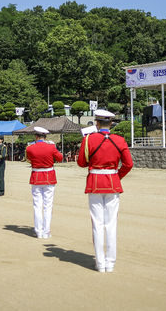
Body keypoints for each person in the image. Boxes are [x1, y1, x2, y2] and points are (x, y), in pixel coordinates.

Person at [77, 109, 134, 273]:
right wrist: (116, 176)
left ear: (96, 122)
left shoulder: (89, 139)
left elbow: (81, 163)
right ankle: (110, 263)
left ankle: (100, 262)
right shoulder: (120, 140)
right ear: (111, 124)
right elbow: (128, 164)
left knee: (97, 224)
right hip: (112, 183)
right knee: (111, 224)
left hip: (95, 182)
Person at [25, 127, 63, 239]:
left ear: (36, 137)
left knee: (37, 205)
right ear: (45, 137)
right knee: (48, 205)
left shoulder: (30, 148)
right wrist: (54, 147)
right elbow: (60, 158)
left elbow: (29, 159)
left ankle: (38, 231)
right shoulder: (51, 147)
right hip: (49, 177)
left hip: (36, 177)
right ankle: (46, 231)